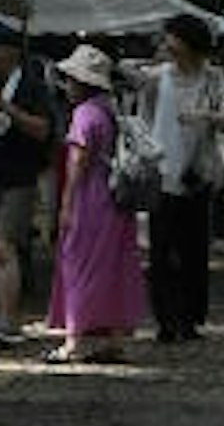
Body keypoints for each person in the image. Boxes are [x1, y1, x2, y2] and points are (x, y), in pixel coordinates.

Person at [43, 43, 148, 357]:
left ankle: (73, 339)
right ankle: (115, 339)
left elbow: (77, 164)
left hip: (89, 201)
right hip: (116, 200)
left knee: (78, 265)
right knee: (114, 266)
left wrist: (65, 205)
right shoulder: (109, 109)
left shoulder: (84, 115)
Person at [142, 9, 224, 344]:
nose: (168, 45)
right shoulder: (156, 78)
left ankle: (190, 317)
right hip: (162, 172)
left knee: (194, 250)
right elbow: (144, 120)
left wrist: (204, 116)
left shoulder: (213, 78)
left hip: (198, 172)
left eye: (173, 38)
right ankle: (165, 318)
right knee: (161, 250)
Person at [0, 30, 61, 343]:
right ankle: (3, 313)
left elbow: (43, 129)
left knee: (3, 246)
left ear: (8, 53)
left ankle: (8, 320)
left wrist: (8, 109)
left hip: (17, 178)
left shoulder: (31, 87)